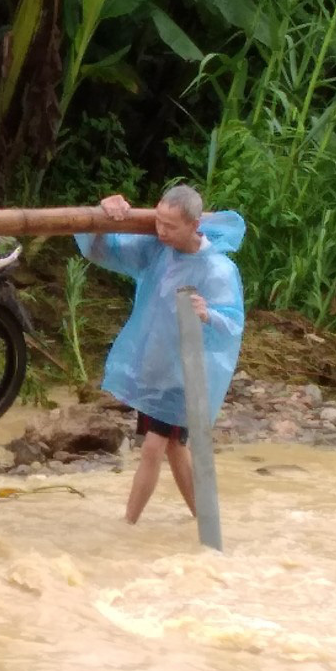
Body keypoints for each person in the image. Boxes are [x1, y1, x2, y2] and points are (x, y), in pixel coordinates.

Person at [77, 185, 245, 524]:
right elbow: (102, 250)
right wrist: (102, 213)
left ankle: (129, 525)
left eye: (170, 226)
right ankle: (207, 522)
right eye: (158, 223)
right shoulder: (157, 250)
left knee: (153, 447)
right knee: (174, 448)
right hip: (157, 367)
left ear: (195, 225)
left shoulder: (218, 269)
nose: (161, 232)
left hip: (186, 374)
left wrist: (208, 313)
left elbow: (233, 323)